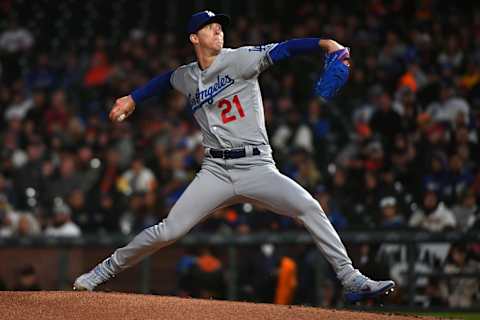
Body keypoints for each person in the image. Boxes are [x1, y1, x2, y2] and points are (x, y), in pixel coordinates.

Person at [74, 10, 394, 302]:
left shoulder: (240, 59)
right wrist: (132, 98)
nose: (218, 31)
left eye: (219, 27)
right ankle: (103, 271)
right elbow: (164, 81)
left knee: (309, 207)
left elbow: (285, 49)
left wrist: (326, 44)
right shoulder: (186, 76)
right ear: (193, 38)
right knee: (168, 231)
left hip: (256, 167)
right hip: (215, 170)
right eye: (210, 28)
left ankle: (349, 277)